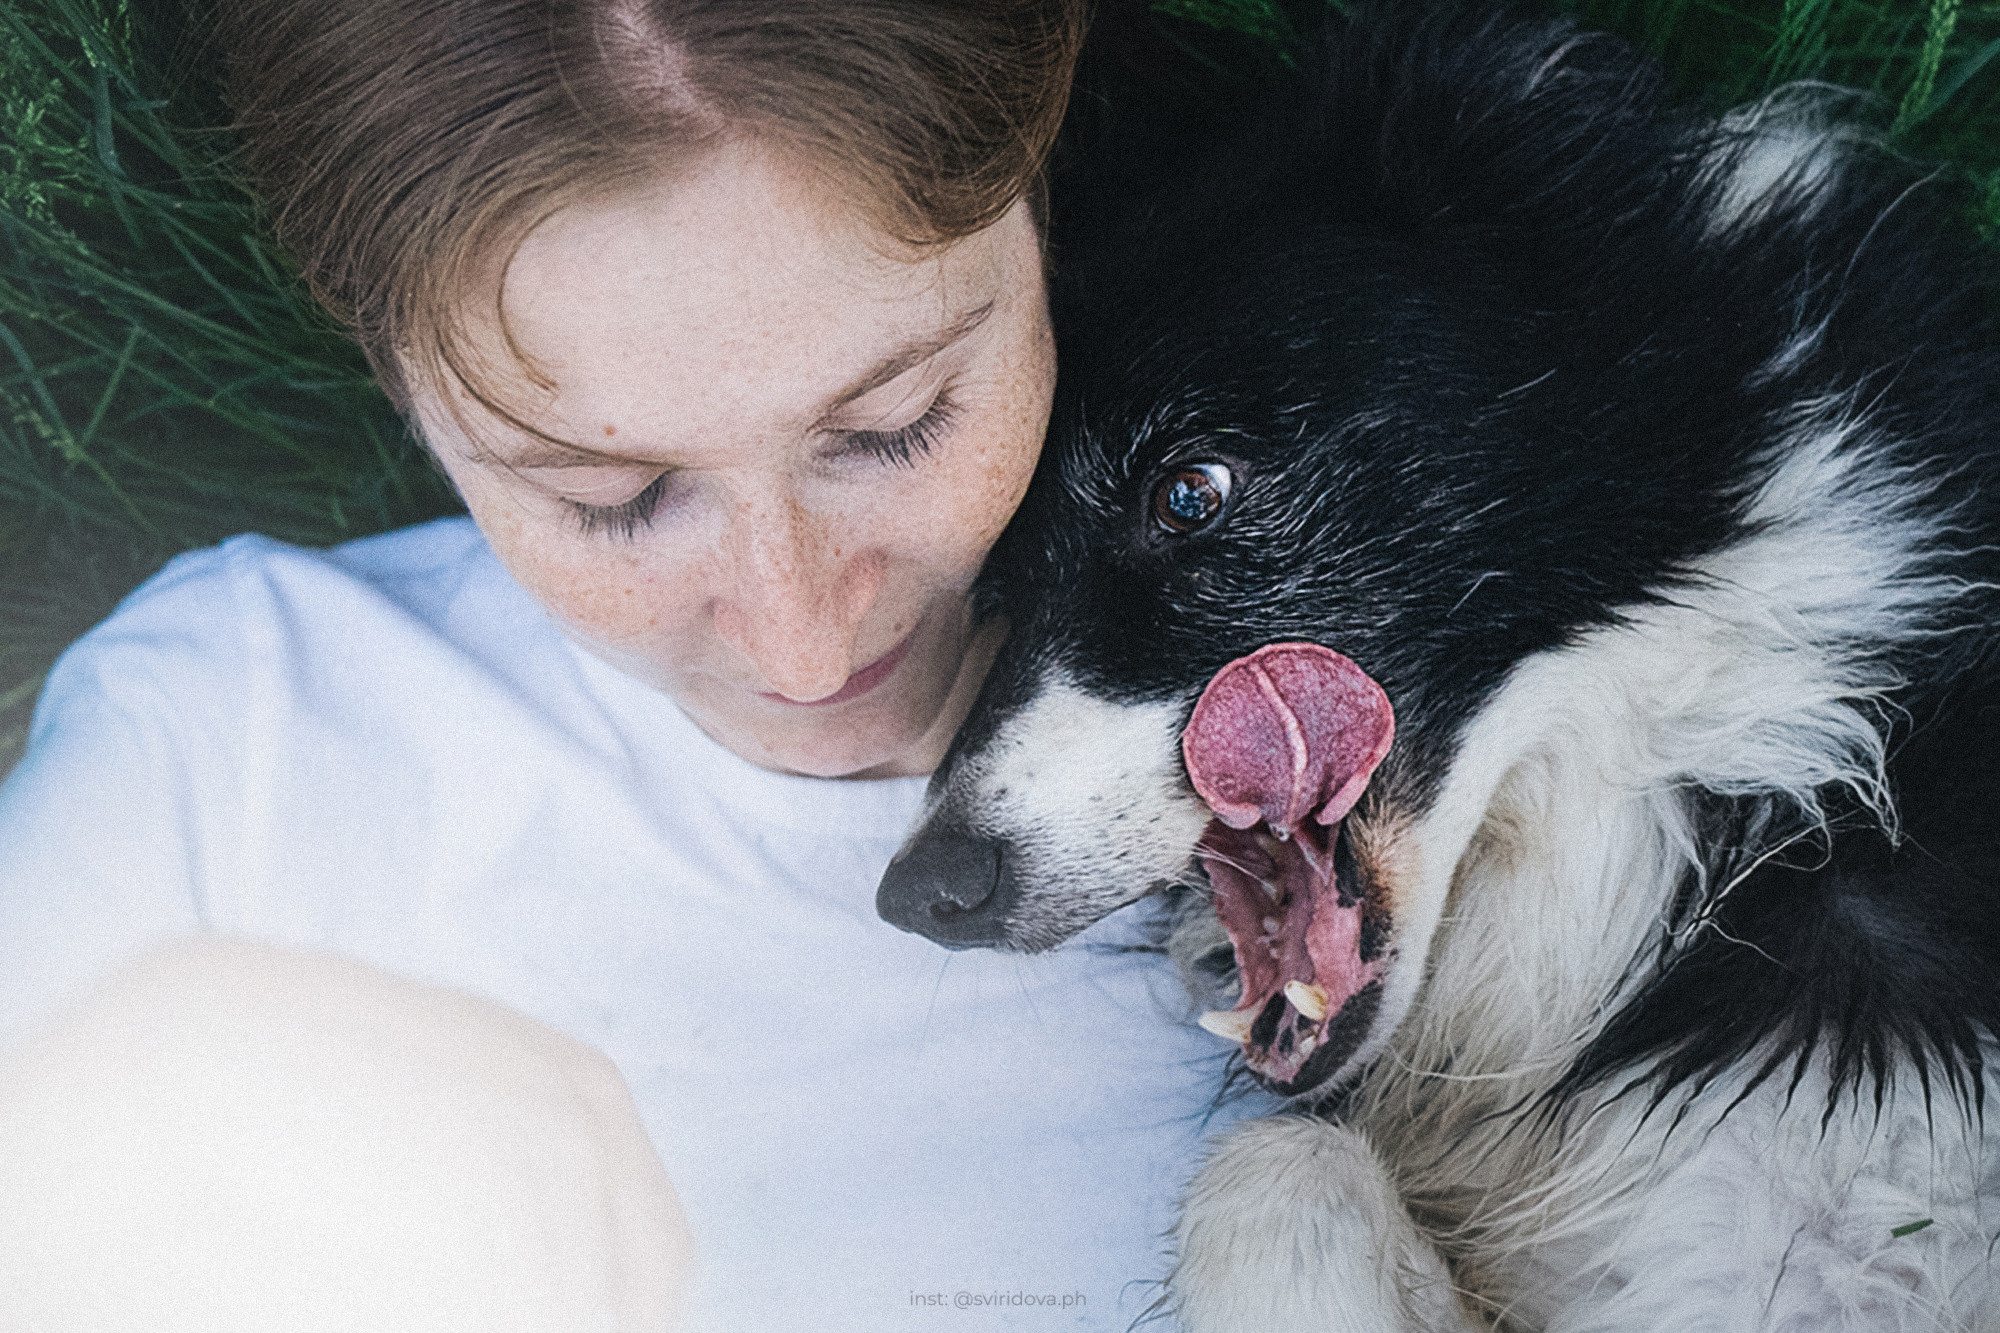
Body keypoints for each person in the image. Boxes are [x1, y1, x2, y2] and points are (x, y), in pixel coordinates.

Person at [0, 1, 1279, 1327]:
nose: (804, 639)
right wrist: (81, 1119)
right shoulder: (229, 754)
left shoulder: (1357, 714)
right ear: (400, 377)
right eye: (614, 500)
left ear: (1037, 199)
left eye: (899, 422)